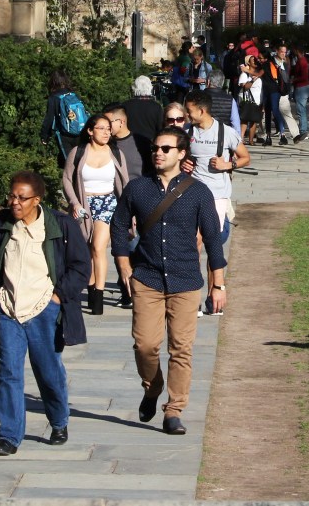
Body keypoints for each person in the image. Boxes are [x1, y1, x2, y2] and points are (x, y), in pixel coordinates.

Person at [112, 128, 227, 437]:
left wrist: (218, 284)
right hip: (147, 278)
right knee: (145, 345)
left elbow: (214, 240)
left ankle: (174, 410)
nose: (158, 153)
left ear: (181, 154)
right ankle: (152, 388)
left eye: (166, 148)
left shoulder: (199, 192)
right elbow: (119, 223)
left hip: (186, 281)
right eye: (155, 147)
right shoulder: (138, 188)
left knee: (181, 349)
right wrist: (123, 262)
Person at [0, 171, 90, 456]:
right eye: (11, 196)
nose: (14, 202)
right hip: (9, 310)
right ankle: (10, 436)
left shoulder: (60, 225)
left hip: (44, 311)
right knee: (9, 372)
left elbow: (80, 267)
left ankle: (59, 420)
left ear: (36, 200)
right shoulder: (2, 224)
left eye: (21, 198)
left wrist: (56, 297)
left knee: (48, 371)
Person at [60, 114, 130, 316]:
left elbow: (125, 182)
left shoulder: (116, 152)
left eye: (109, 128)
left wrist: (128, 210)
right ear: (90, 131)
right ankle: (91, 289)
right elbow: (66, 179)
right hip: (84, 203)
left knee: (99, 247)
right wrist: (74, 202)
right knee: (88, 249)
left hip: (108, 203)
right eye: (101, 128)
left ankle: (98, 296)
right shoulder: (78, 152)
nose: (106, 132)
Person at [184, 90, 251, 249]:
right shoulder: (187, 132)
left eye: (189, 111)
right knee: (195, 240)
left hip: (217, 194)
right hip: (192, 192)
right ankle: (194, 274)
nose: (186, 114)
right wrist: (182, 164)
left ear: (201, 111)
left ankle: (215, 273)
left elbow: (246, 158)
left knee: (213, 244)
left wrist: (227, 165)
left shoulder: (226, 132)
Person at [39, 71, 86, 169]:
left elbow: (49, 118)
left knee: (69, 164)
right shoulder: (74, 95)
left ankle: (71, 183)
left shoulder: (54, 97)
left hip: (64, 134)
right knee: (81, 162)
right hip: (81, 133)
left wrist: (45, 137)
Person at [125, 76, 164, 162]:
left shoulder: (126, 106)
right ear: (150, 88)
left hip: (129, 146)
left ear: (134, 88)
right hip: (149, 146)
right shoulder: (156, 107)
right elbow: (160, 129)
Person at [103, 105, 146, 179]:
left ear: (121, 122)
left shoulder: (141, 142)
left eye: (109, 122)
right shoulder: (104, 143)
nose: (106, 126)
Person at [236, 57, 264, 145]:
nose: (255, 62)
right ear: (248, 63)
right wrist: (252, 80)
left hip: (257, 100)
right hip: (247, 101)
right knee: (244, 120)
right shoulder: (244, 74)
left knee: (254, 120)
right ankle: (241, 139)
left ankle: (251, 140)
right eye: (253, 60)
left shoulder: (258, 73)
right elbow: (245, 87)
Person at [288, 46, 309, 142]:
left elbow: (304, 76)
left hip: (302, 87)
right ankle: (303, 130)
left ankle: (303, 131)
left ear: (298, 51)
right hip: (301, 86)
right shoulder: (300, 61)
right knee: (301, 110)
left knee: (301, 110)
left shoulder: (302, 62)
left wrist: (294, 80)